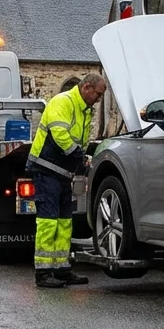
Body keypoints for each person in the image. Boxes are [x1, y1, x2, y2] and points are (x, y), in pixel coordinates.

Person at [27, 72, 106, 288]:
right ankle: (43, 273)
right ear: (86, 88)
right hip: (46, 169)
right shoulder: (63, 102)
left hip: (61, 173)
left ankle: (61, 268)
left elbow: (79, 140)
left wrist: (80, 161)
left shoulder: (83, 109)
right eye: (98, 94)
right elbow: (60, 135)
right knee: (48, 221)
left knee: (64, 222)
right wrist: (80, 158)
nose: (99, 99)